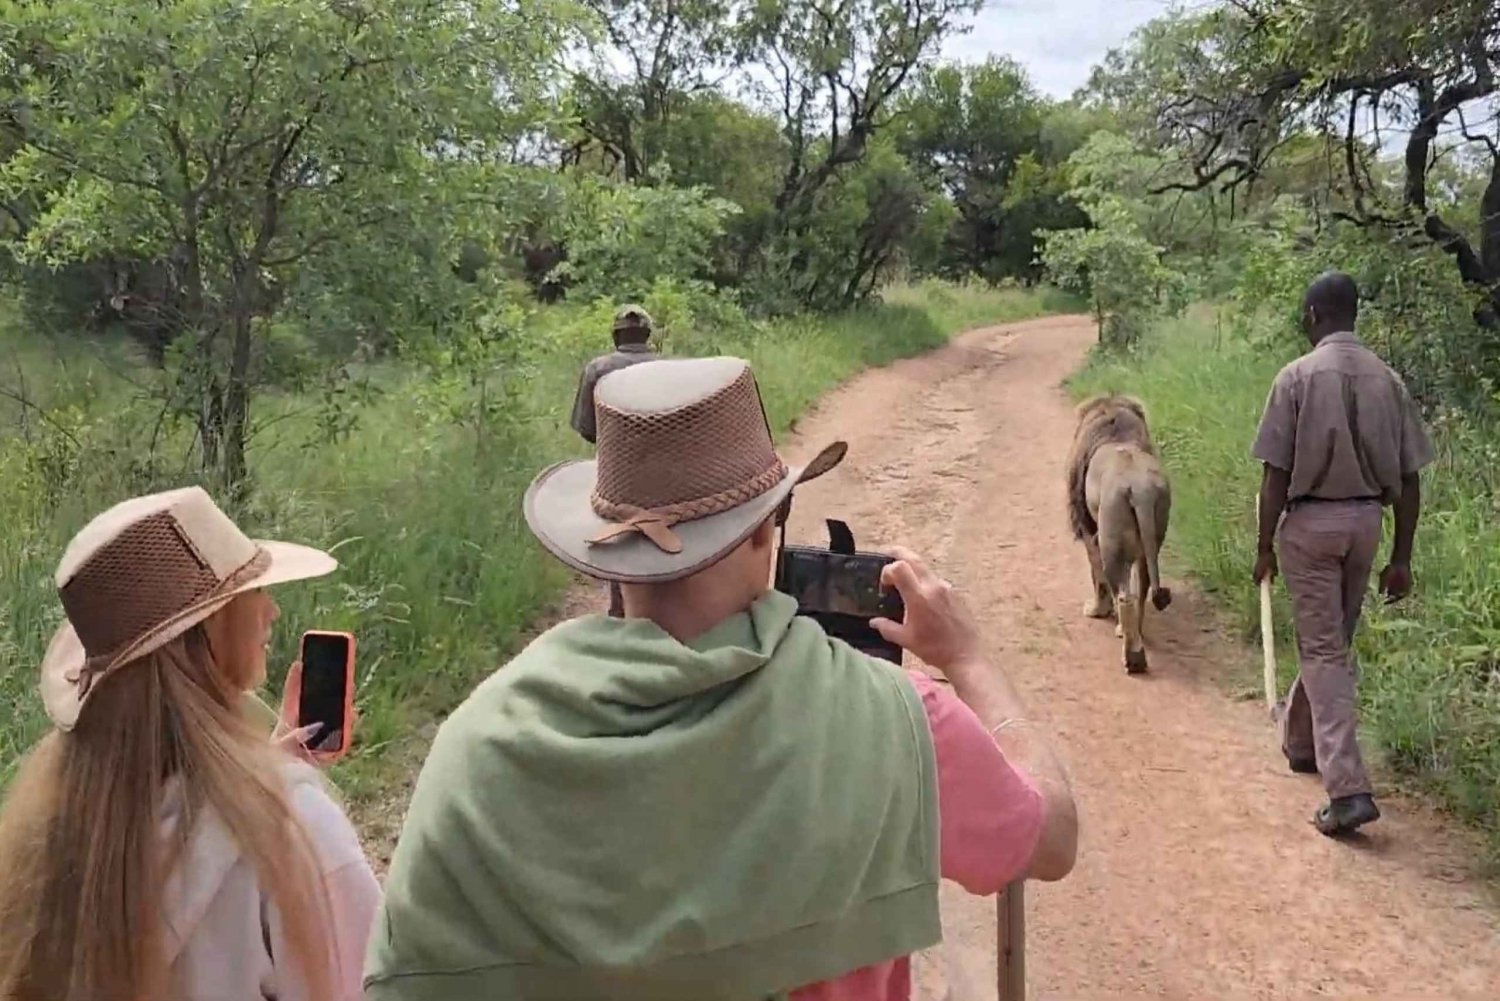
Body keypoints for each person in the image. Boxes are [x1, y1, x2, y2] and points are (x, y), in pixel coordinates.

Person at [366, 357, 1078, 1001]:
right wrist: (969, 660)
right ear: (769, 528)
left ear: (604, 556)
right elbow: (1050, 836)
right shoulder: (897, 722)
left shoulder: (479, 744)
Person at [0, 486, 382, 1001]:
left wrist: (265, 767)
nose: (269, 611)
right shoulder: (295, 829)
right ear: (207, 630)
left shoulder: (52, 831)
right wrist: (273, 791)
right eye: (248, 593)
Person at [1251, 272, 1434, 836]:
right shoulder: (1388, 379)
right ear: (1353, 314)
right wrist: (1400, 557)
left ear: (1312, 316)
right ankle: (1302, 743)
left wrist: (1263, 547)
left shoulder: (1296, 377)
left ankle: (1348, 789)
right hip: (1366, 524)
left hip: (1310, 524)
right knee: (1330, 643)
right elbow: (1408, 482)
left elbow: (1275, 475)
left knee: (1324, 650)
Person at [570, 303, 659, 618]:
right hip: (667, 465)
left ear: (615, 336)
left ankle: (623, 607)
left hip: (616, 470)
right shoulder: (668, 367)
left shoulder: (598, 368)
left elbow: (586, 429)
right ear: (648, 335)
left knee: (618, 530)